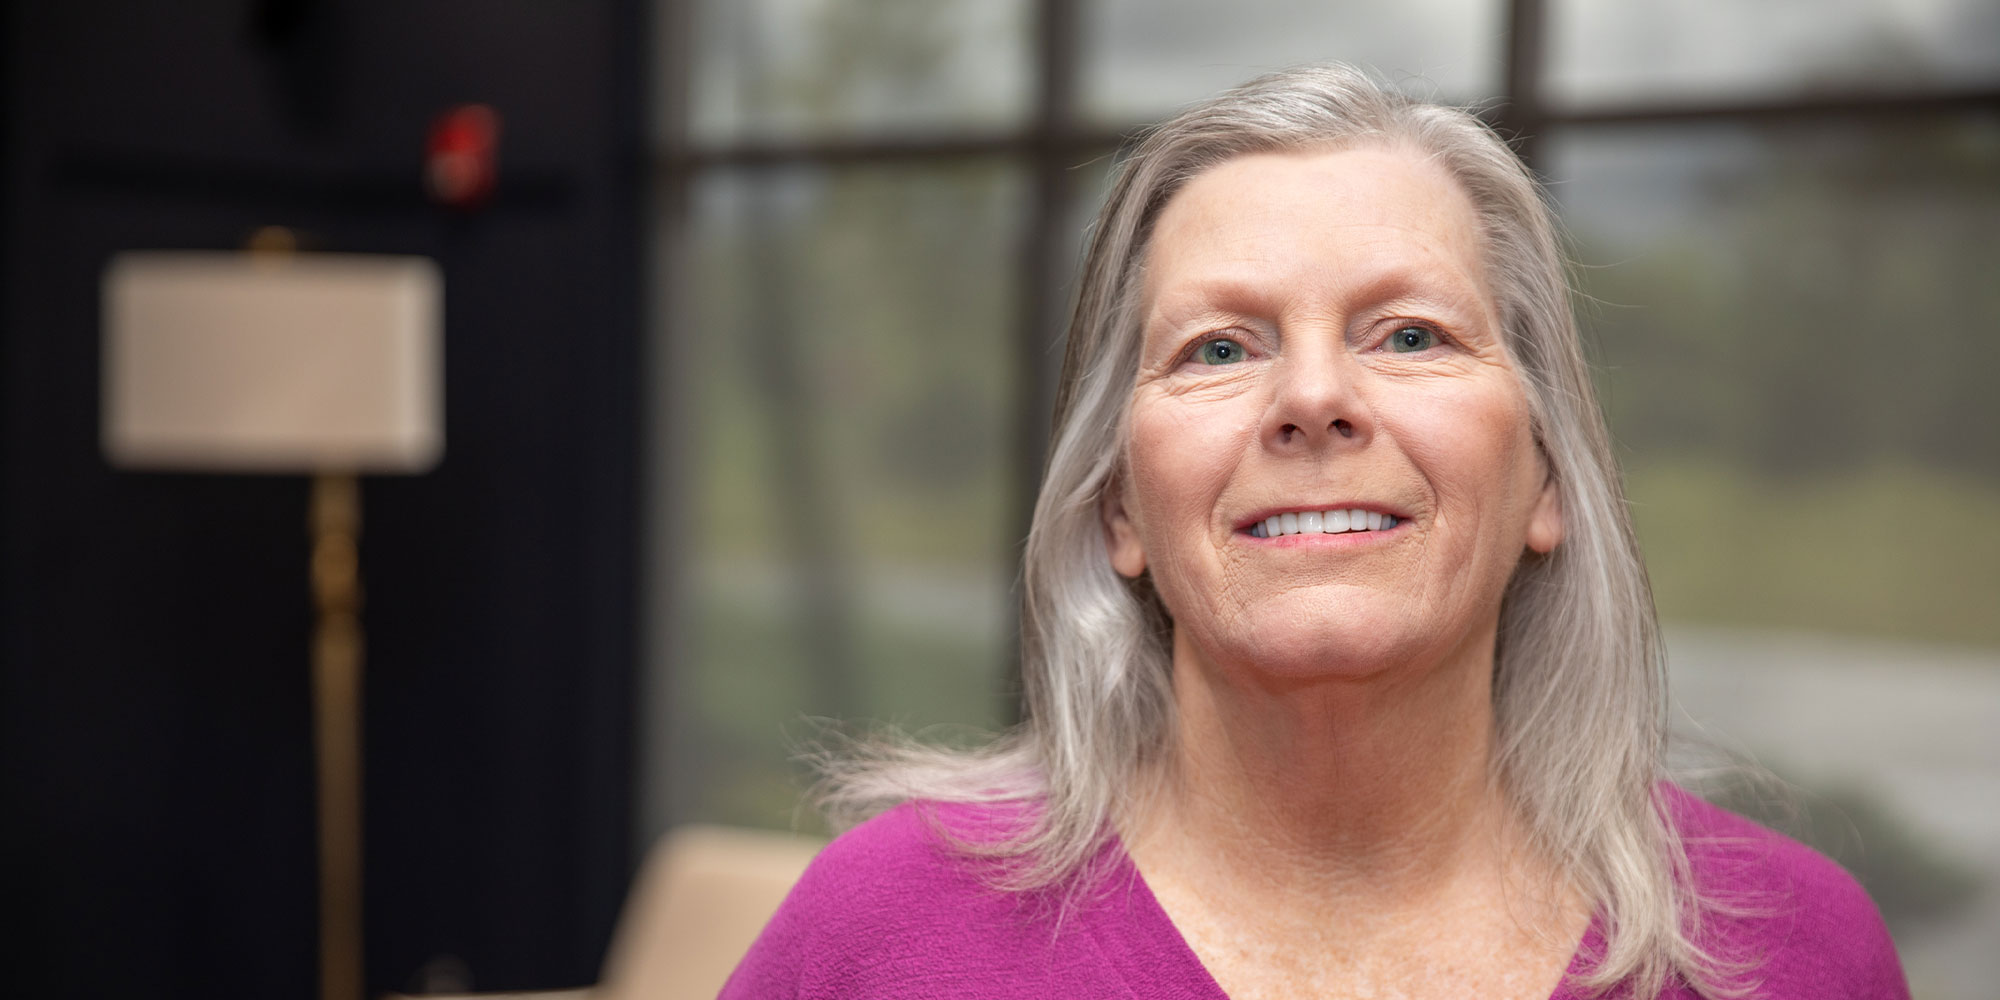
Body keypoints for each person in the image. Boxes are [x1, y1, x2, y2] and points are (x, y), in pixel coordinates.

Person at [721, 64, 1907, 999]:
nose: (1311, 396)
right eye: (1218, 348)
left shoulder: (1793, 952)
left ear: (1545, 476)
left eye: (1408, 334)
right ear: (1120, 505)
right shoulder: (878, 937)